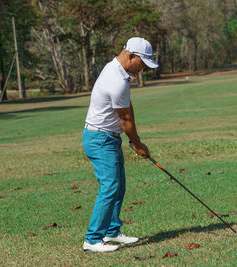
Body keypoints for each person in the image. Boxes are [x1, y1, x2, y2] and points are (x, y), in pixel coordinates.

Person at [82, 37, 158, 252]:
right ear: (131, 56)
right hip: (100, 139)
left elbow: (127, 107)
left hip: (109, 137)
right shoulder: (116, 80)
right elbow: (125, 120)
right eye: (142, 63)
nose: (143, 68)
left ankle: (111, 231)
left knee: (118, 186)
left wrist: (134, 141)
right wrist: (138, 143)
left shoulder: (118, 70)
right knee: (110, 187)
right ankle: (93, 239)